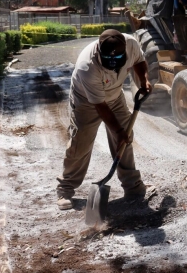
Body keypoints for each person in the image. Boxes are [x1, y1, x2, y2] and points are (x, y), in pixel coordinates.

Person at [56, 29, 152, 210]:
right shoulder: (87, 67)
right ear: (99, 52)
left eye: (118, 59)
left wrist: (144, 80)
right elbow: (100, 107)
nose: (114, 63)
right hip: (86, 101)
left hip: (115, 97)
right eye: (109, 60)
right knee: (80, 143)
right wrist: (119, 130)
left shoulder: (131, 43)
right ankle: (65, 189)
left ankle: (133, 187)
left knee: (125, 142)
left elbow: (139, 61)